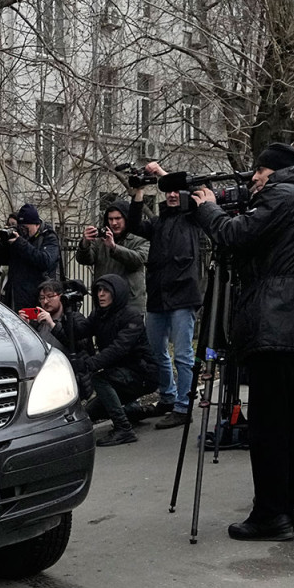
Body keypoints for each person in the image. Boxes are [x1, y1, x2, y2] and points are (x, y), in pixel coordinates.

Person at [190, 142, 294, 540]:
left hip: (277, 321)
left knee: (269, 426)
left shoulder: (282, 194)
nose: (253, 178)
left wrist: (207, 208)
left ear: (273, 172)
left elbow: (235, 235)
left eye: (258, 171)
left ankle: (270, 514)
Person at [128, 163, 209, 430]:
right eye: (168, 191)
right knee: (156, 350)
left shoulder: (193, 217)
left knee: (183, 354)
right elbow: (134, 224)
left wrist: (164, 174)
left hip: (184, 296)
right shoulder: (159, 222)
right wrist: (138, 192)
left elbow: (201, 191)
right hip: (159, 296)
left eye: (176, 191)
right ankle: (168, 397)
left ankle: (184, 407)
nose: (172, 195)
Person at [36, 275, 160, 446]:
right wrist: (67, 314)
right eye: (98, 290)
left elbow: (117, 349)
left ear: (117, 293)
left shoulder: (132, 317)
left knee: (99, 379)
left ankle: (124, 429)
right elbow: (77, 334)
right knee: (89, 413)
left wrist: (89, 365)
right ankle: (135, 412)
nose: (101, 295)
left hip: (143, 373)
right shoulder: (99, 314)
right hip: (118, 375)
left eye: (106, 291)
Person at [78, 202, 150, 311]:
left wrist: (114, 247)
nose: (114, 223)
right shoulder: (100, 240)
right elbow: (85, 260)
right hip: (104, 301)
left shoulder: (140, 238)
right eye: (110, 219)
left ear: (126, 218)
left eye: (118, 218)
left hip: (130, 303)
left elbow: (138, 260)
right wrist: (85, 243)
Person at [0, 204, 60, 310]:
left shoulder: (48, 237)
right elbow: (1, 259)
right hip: (15, 297)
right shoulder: (18, 239)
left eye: (26, 228)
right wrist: (3, 243)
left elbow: (45, 261)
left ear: (36, 224)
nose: (23, 231)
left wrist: (21, 243)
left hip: (39, 298)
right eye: (21, 227)